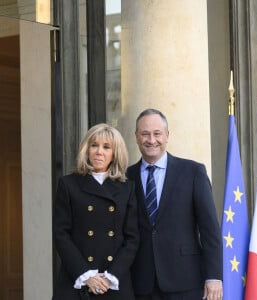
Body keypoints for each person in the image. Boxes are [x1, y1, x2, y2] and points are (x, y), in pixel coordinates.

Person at [127, 109, 223, 300]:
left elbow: (210, 229)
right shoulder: (126, 177)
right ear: (136, 137)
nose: (151, 140)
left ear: (167, 136)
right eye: (145, 134)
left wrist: (214, 276)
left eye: (157, 134)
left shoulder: (193, 172)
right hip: (141, 283)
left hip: (186, 281)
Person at [53, 123, 139, 300]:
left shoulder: (127, 188)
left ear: (115, 153)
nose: (99, 151)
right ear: (86, 149)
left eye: (107, 147)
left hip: (114, 284)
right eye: (94, 145)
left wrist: (110, 277)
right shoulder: (68, 184)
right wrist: (86, 275)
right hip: (77, 282)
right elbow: (61, 234)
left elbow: (132, 238)